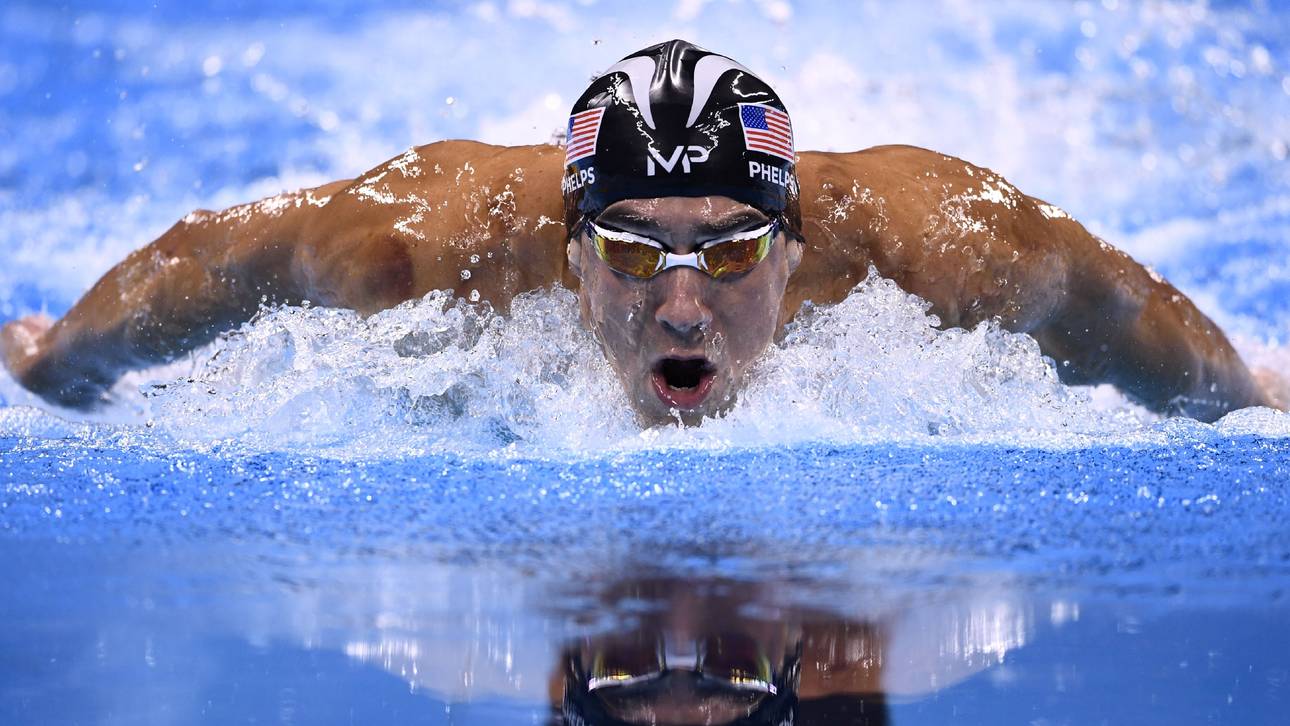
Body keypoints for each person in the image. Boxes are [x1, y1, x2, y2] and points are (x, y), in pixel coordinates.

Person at [1, 40, 1284, 425]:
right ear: (566, 250)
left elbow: (1125, 311)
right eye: (630, 246)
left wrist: (1245, 393)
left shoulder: (941, 246)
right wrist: (63, 363)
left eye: (729, 248)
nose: (681, 305)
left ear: (796, 248)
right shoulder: (422, 246)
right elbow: (217, 255)